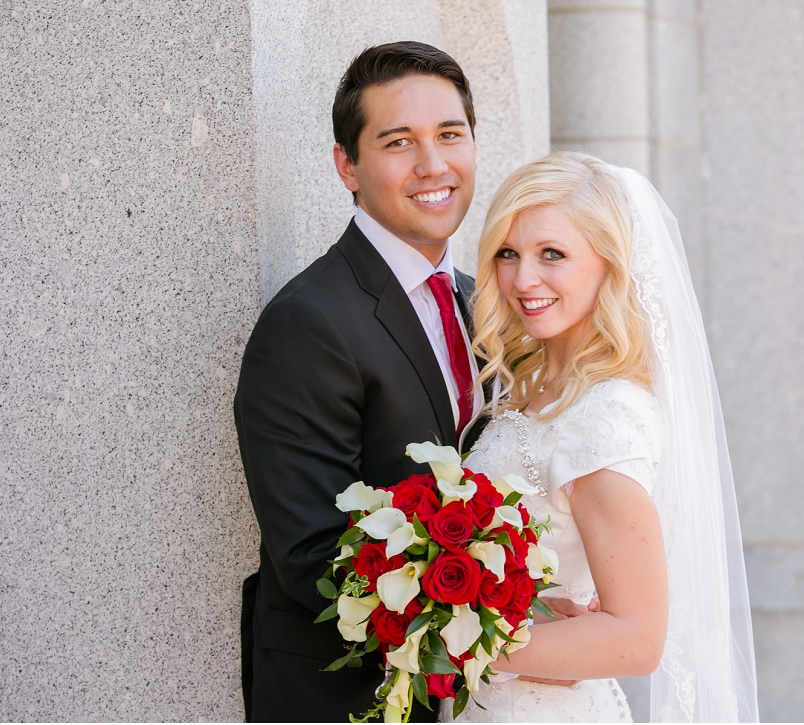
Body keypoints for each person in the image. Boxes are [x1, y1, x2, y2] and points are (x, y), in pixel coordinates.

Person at [442, 152, 758, 722]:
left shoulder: (606, 417)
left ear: (610, 265)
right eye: (507, 253)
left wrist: (451, 645)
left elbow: (636, 638)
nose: (522, 278)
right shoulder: (535, 388)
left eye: (552, 255)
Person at [234, 41, 488, 722]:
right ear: (348, 164)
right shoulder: (308, 322)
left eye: (450, 135)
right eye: (398, 141)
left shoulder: (480, 301)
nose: (433, 165)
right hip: (346, 699)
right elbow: (312, 555)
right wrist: (490, 608)